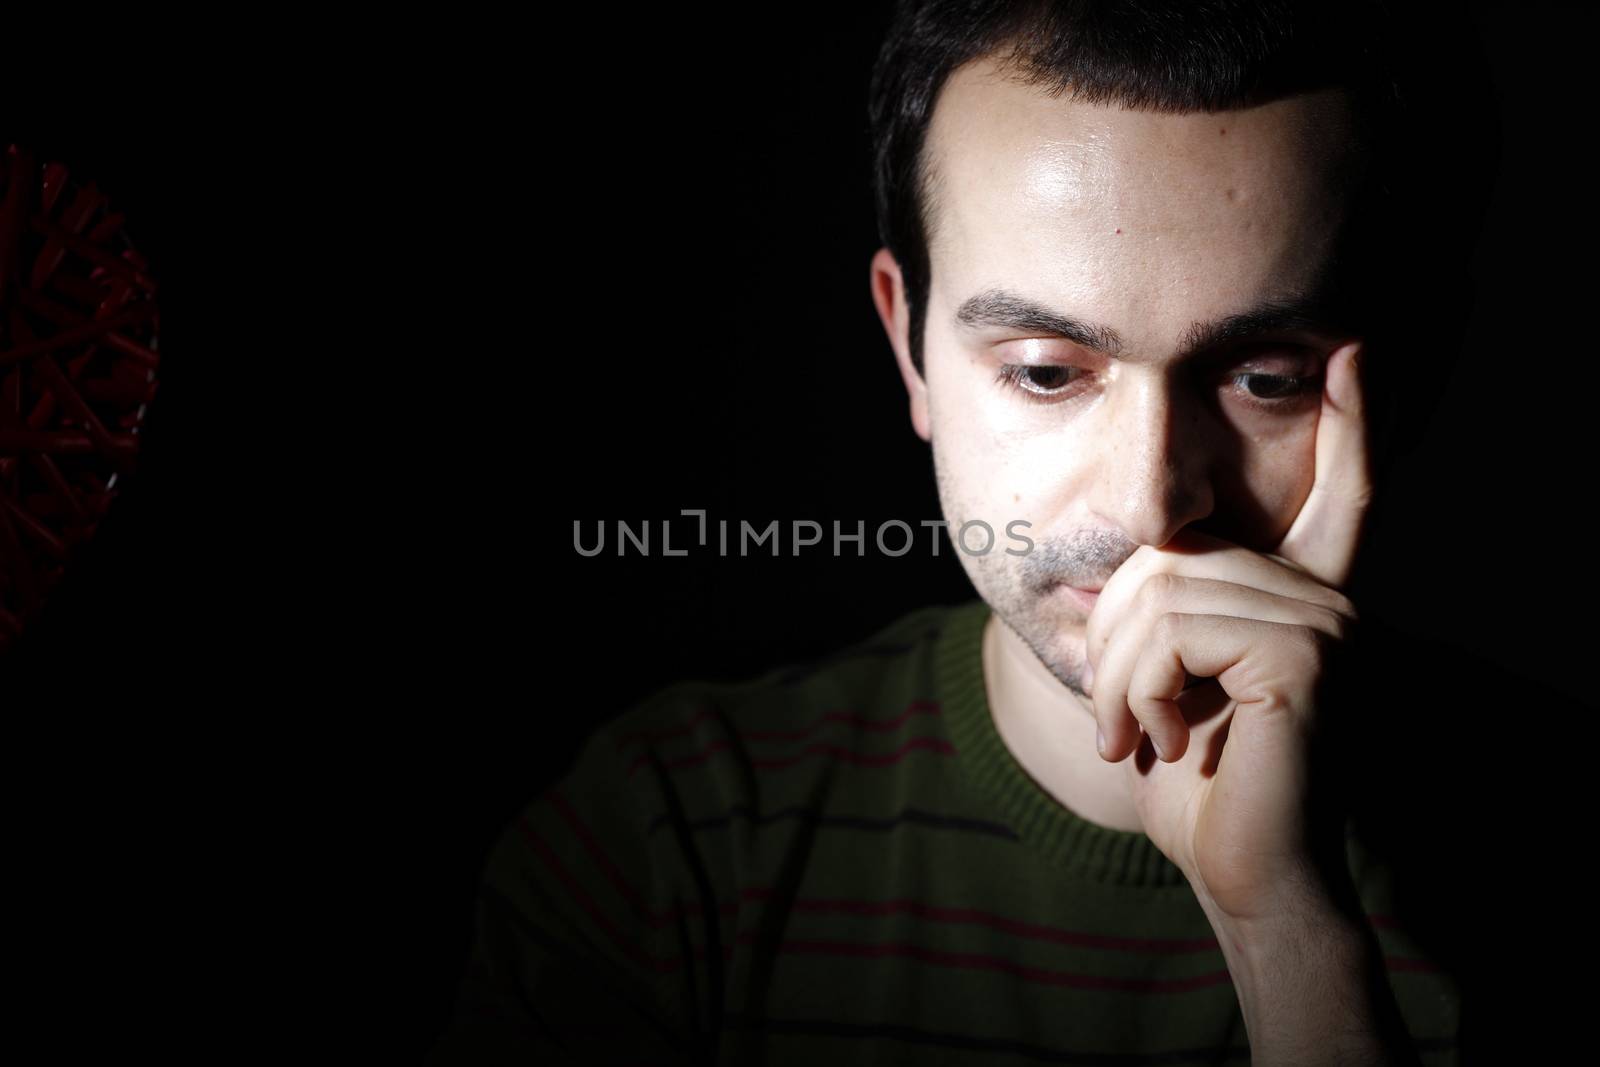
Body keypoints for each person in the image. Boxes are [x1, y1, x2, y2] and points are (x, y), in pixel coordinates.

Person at [429, 2, 1484, 1062]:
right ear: (909, 345)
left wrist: (1288, 938)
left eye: (1264, 378)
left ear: (1391, 383)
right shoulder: (665, 848)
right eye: (1043, 370)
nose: (1150, 504)